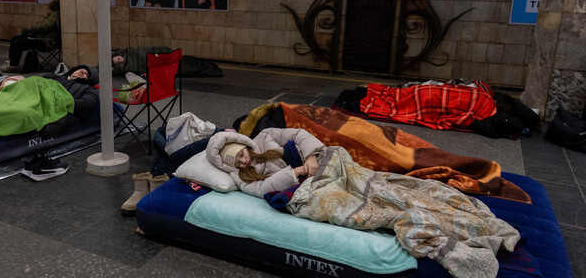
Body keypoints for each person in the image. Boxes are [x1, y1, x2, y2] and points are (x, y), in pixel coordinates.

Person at [206, 128, 521, 278]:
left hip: (329, 166)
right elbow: (265, 189)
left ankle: (470, 221)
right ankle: (450, 238)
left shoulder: (265, 137)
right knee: (382, 210)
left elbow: (300, 134)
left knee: (395, 187)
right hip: (306, 191)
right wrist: (300, 170)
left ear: (242, 143)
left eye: (240, 152)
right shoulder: (241, 178)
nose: (242, 159)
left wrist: (314, 156)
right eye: (234, 160)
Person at [0, 0, 60, 73]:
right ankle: (13, 62)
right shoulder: (55, 13)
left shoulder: (55, 14)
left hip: (46, 41)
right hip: (44, 38)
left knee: (17, 42)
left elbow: (45, 26)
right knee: (16, 39)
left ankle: (13, 66)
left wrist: (35, 27)